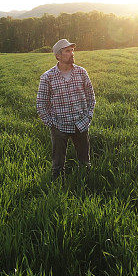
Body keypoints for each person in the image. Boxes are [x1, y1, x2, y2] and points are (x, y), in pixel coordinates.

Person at [36, 38, 96, 180]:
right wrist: (52, 124)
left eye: (72, 50)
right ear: (58, 55)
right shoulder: (48, 77)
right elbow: (41, 104)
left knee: (85, 162)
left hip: (80, 125)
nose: (72, 53)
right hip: (59, 126)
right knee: (57, 165)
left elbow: (91, 97)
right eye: (67, 51)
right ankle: (57, 187)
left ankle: (85, 183)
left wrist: (87, 118)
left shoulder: (81, 72)